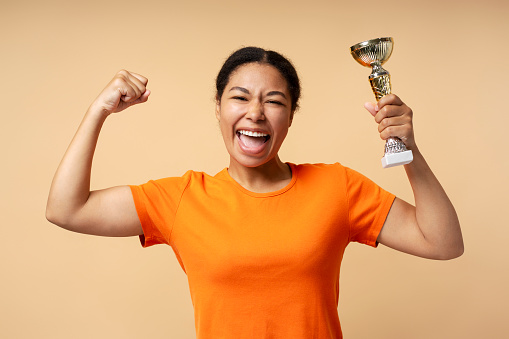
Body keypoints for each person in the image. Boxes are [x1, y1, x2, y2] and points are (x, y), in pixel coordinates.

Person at [46, 47, 464, 338]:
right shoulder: (182, 199)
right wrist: (98, 110)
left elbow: (443, 242)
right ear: (218, 108)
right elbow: (67, 209)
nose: (255, 113)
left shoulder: (337, 187)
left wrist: (408, 149)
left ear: (290, 116)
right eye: (240, 97)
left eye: (274, 101)